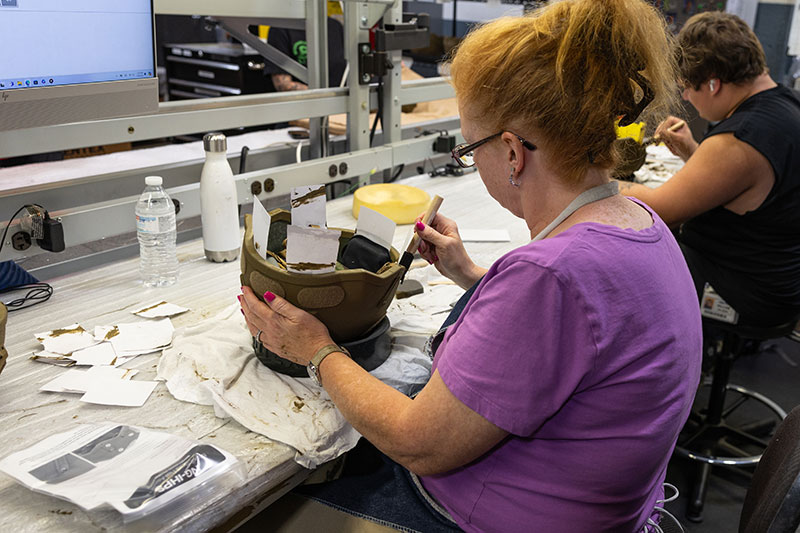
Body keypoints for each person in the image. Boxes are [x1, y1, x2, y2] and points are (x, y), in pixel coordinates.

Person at [240, 0, 702, 530]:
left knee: (268, 510)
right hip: (595, 509)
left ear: (512, 152)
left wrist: (316, 350)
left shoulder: (551, 276)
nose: (471, 162)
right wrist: (473, 277)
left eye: (469, 149)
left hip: (489, 516)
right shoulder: (637, 220)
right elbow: (579, 337)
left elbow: (418, 443)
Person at [619, 12, 800, 327]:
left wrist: (597, 181)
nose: (686, 97)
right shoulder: (787, 105)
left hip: (742, 292)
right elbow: (749, 188)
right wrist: (694, 151)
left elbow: (657, 208)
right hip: (778, 279)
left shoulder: (741, 139)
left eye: (687, 88)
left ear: (714, 83)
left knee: (621, 267)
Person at [265, 17, 347, 91]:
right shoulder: (280, 29)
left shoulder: (334, 26)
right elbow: (283, 85)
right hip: (304, 103)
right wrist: (322, 96)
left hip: (341, 101)